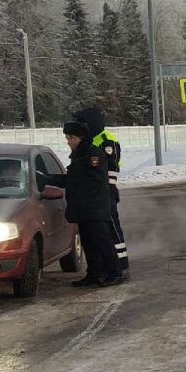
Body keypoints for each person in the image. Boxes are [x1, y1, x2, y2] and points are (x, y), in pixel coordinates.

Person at [40, 126, 121, 287]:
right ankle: (94, 274)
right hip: (84, 209)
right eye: (67, 138)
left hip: (94, 208)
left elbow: (93, 181)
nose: (68, 141)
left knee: (103, 242)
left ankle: (114, 273)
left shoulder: (93, 154)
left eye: (71, 138)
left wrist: (76, 191)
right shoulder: (79, 155)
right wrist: (48, 179)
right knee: (89, 243)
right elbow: (72, 178)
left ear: (80, 138)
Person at [69, 107, 129, 280]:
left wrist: (105, 189)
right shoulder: (86, 140)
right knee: (95, 232)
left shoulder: (105, 139)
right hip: (93, 192)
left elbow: (110, 168)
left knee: (110, 227)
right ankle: (100, 268)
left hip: (106, 189)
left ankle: (121, 264)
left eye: (81, 122)